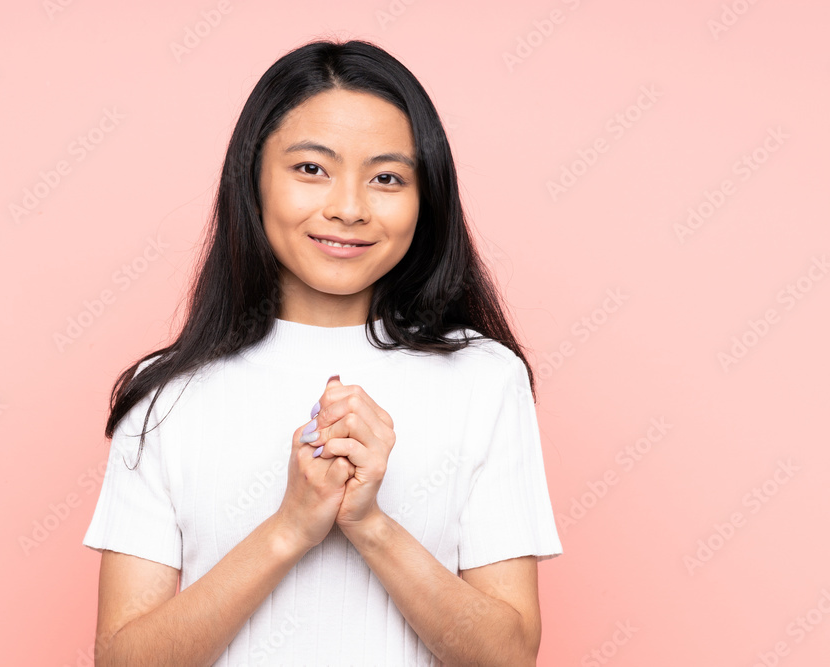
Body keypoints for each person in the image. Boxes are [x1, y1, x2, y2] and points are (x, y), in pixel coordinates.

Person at [82, 37, 562, 666]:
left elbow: (509, 658)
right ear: (252, 178)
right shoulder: (167, 395)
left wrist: (371, 526)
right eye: (311, 169)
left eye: (387, 178)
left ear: (427, 199)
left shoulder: (484, 378)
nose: (348, 209)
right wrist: (289, 529)